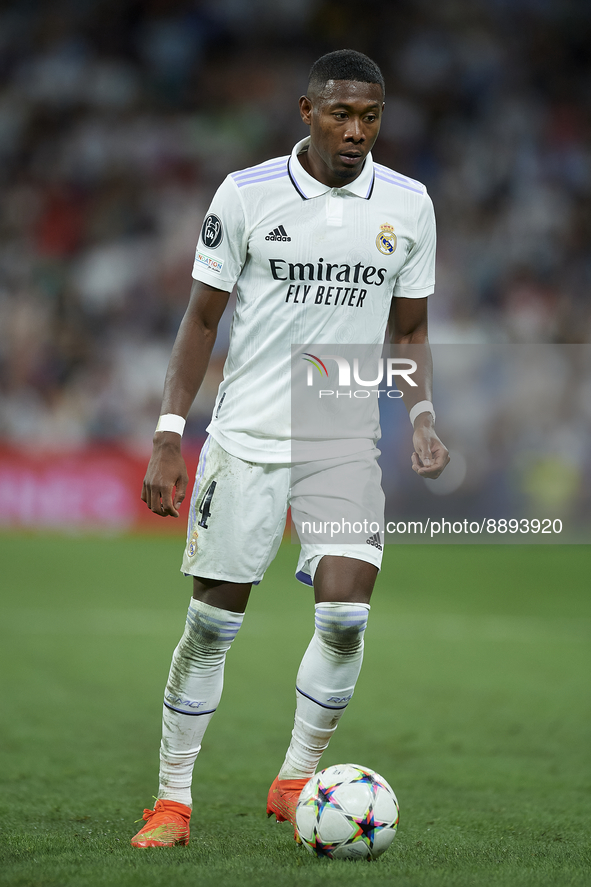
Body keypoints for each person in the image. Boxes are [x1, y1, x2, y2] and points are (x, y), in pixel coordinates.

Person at [132, 48, 449, 848]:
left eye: (370, 116)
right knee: (211, 626)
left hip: (341, 433)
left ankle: (296, 776)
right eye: (340, 114)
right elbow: (201, 320)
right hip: (247, 435)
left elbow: (408, 329)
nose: (356, 131)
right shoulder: (246, 195)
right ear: (306, 112)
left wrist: (419, 415)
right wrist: (170, 437)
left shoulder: (408, 205)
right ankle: (171, 802)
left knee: (345, 616)